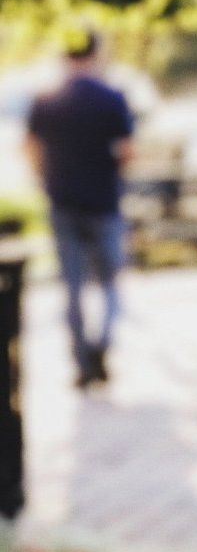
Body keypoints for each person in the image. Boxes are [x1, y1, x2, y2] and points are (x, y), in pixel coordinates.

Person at [24, 29, 133, 388]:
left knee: (71, 288)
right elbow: (126, 152)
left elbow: (31, 148)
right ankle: (102, 342)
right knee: (111, 283)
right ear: (96, 53)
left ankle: (82, 361)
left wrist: (45, 179)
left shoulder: (47, 100)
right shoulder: (111, 99)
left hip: (62, 202)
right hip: (104, 203)